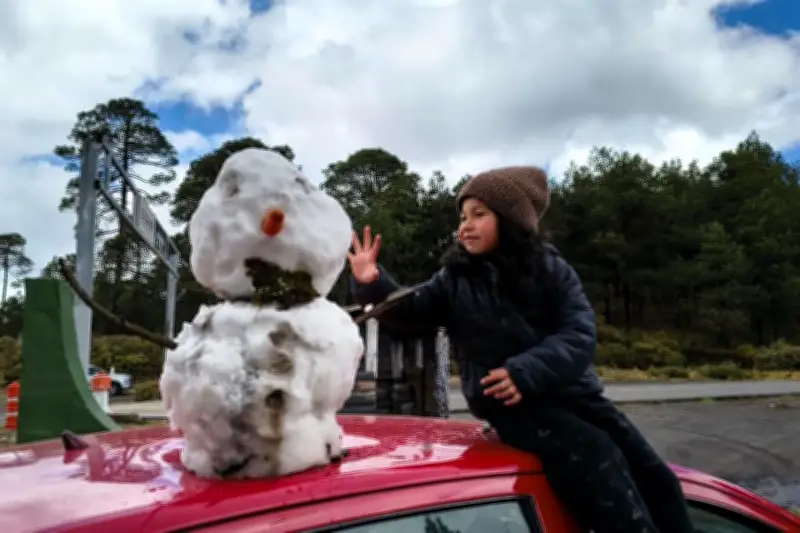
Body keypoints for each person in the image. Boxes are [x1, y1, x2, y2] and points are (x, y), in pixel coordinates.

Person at [347, 166, 695, 533]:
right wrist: (373, 283)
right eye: (463, 217)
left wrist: (527, 370)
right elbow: (411, 313)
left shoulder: (551, 269)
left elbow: (578, 332)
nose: (465, 225)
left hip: (575, 397)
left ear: (511, 220)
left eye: (479, 215)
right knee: (599, 461)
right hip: (514, 407)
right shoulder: (455, 278)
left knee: (658, 480)